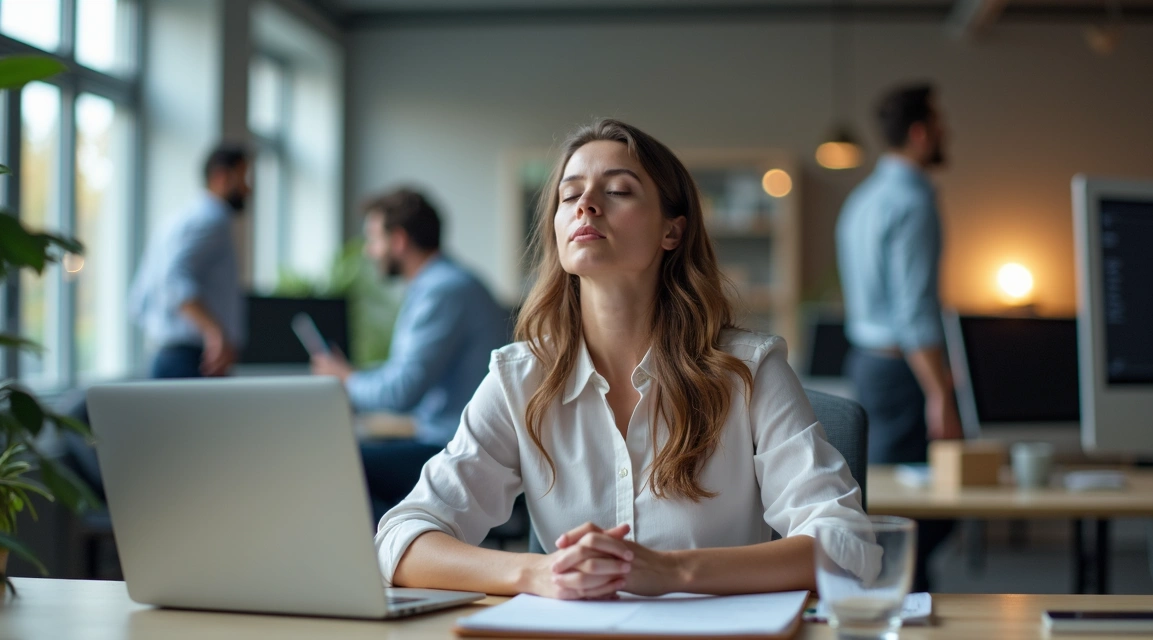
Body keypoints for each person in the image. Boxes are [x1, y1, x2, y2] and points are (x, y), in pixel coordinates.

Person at [372, 119, 869, 600]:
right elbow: (401, 539)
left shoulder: (750, 371)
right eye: (569, 195)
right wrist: (538, 572)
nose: (586, 204)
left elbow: (847, 545)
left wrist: (672, 571)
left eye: (618, 191)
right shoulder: (518, 379)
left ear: (671, 231)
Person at [311, 188, 510, 520]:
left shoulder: (442, 290)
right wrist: (352, 375)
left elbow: (402, 391)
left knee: (337, 463)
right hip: (449, 441)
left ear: (399, 240)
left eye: (373, 239)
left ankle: (390, 559)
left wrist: (345, 380)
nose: (369, 251)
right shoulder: (447, 283)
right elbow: (404, 372)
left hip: (457, 451)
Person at [836, 82, 961, 591]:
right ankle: (900, 604)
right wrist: (941, 392)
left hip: (867, 361)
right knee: (927, 510)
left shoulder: (864, 198)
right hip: (905, 372)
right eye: (940, 123)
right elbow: (914, 313)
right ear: (919, 133)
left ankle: (896, 599)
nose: (946, 132)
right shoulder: (913, 202)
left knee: (883, 498)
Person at [129, 143, 251, 379]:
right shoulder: (212, 221)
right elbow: (173, 278)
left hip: (167, 354)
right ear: (221, 176)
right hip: (195, 360)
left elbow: (140, 300)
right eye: (243, 177)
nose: (248, 188)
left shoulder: (175, 221)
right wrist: (215, 333)